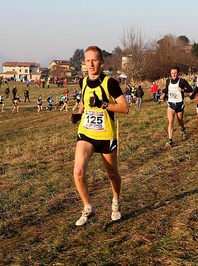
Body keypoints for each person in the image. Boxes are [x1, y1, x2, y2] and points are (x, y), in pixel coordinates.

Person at [70, 46, 129, 226]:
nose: (91, 64)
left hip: (106, 135)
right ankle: (88, 207)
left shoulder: (109, 83)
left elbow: (125, 108)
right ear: (84, 63)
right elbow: (83, 100)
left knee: (112, 174)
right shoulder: (84, 82)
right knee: (78, 171)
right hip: (86, 133)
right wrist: (79, 113)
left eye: (95, 60)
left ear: (102, 62)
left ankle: (116, 203)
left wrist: (103, 104)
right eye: (88, 60)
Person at [161, 67, 193, 147]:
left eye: (175, 73)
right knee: (171, 121)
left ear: (178, 73)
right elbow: (166, 89)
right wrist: (163, 94)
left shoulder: (182, 81)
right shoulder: (168, 81)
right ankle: (170, 140)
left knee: (180, 121)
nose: (173, 75)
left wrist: (182, 90)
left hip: (179, 104)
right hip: (171, 104)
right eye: (172, 73)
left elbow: (190, 89)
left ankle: (183, 129)